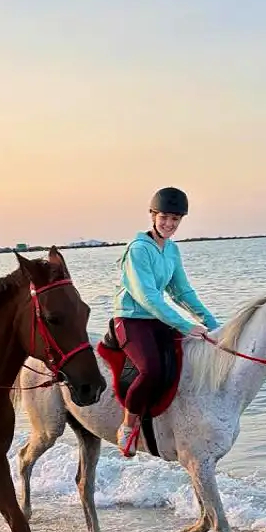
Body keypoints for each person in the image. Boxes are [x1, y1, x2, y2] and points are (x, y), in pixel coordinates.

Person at [111, 186, 219, 457]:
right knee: (151, 369)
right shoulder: (138, 249)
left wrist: (211, 322)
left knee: (190, 356)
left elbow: (181, 291)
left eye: (176, 219)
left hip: (157, 318)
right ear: (152, 215)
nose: (169, 224)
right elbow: (147, 297)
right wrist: (185, 325)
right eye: (164, 218)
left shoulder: (171, 250)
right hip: (131, 318)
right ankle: (127, 426)